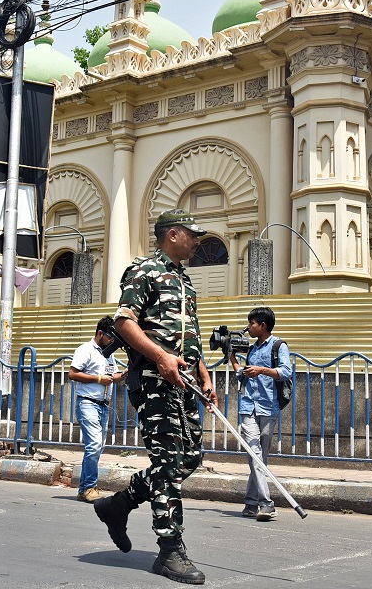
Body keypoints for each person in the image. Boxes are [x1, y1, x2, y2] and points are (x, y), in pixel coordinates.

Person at [94, 209, 217, 585]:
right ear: (173, 234)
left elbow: (187, 335)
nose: (197, 241)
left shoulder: (185, 282)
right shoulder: (143, 270)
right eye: (192, 235)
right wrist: (161, 356)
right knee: (167, 462)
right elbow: (123, 322)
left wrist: (204, 373)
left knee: (191, 456)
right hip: (152, 381)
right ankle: (169, 550)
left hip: (185, 384)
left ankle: (119, 504)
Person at [228, 305, 292, 522]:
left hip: (269, 406)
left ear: (262, 325)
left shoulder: (278, 345)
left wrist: (262, 370)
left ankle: (250, 502)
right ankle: (266, 503)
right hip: (248, 406)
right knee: (254, 452)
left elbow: (286, 371)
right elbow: (243, 375)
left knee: (259, 457)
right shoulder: (252, 350)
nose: (248, 327)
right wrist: (232, 357)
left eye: (251, 324)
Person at [69, 315, 125, 502]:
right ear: (100, 333)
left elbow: (113, 376)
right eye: (110, 337)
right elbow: (72, 373)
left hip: (103, 405)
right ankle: (90, 487)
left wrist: (125, 373)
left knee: (97, 447)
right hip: (88, 402)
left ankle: (83, 488)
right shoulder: (86, 350)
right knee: (93, 445)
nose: (112, 341)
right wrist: (98, 379)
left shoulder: (109, 354)